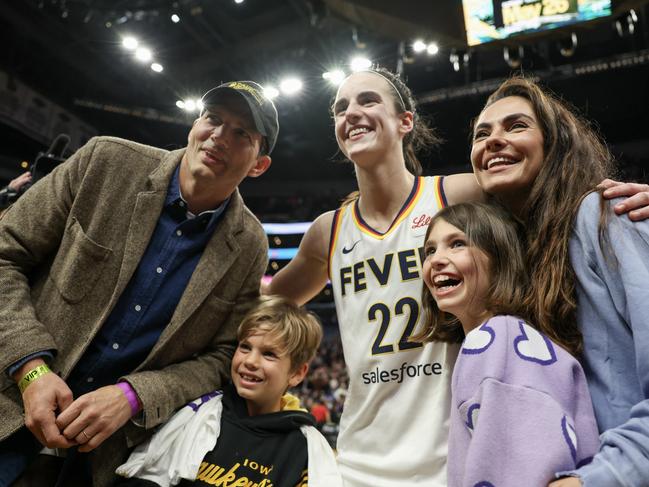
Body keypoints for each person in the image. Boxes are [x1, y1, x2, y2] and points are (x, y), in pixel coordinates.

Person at [265, 67, 649, 486]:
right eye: (340, 108)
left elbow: (546, 191)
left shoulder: (460, 194)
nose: (351, 113)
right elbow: (261, 305)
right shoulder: (329, 230)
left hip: (452, 452)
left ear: (405, 120)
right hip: (359, 456)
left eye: (368, 100)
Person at [0, 80, 277, 487]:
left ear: (258, 164)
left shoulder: (250, 245)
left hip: (105, 457)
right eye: (213, 119)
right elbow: (6, 253)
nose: (219, 136)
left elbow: (222, 357)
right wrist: (30, 369)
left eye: (242, 133)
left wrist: (133, 397)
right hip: (8, 401)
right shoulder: (106, 161)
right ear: (194, 125)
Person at [469, 76, 649, 486]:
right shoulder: (516, 263)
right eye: (482, 133)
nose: (494, 140)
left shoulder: (602, 216)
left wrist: (597, 479)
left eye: (516, 126)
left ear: (556, 145)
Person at [417, 201, 599, 486]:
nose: (436, 259)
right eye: (430, 250)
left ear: (498, 257)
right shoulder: (511, 338)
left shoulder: (496, 341)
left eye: (457, 244)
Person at [115, 295, 342, 487]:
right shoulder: (195, 415)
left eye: (269, 354)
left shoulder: (306, 449)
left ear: (297, 373)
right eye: (245, 347)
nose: (250, 361)